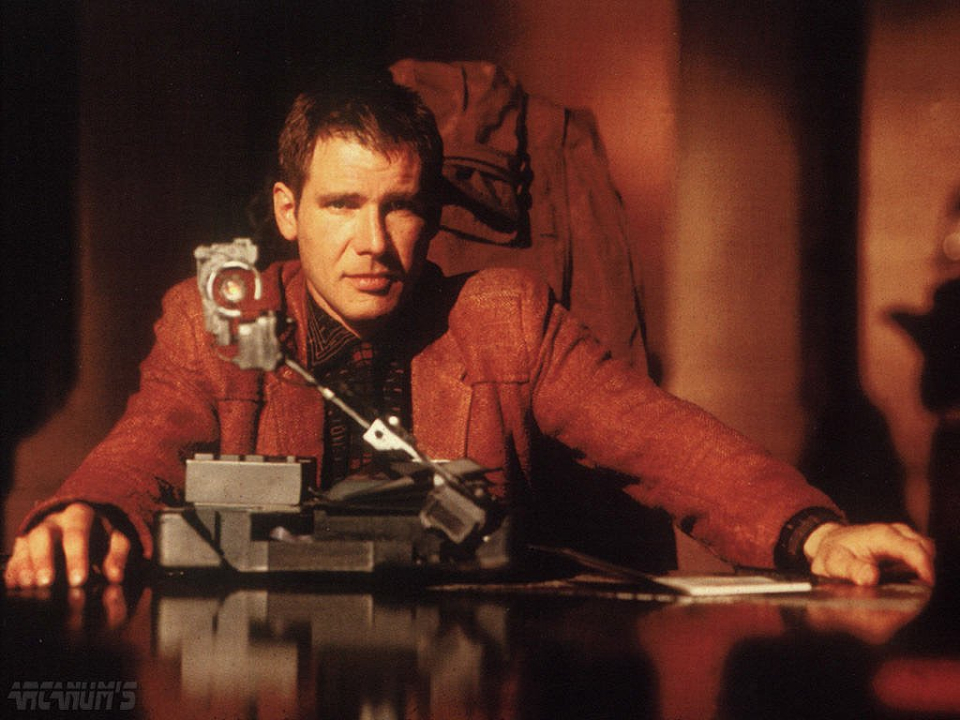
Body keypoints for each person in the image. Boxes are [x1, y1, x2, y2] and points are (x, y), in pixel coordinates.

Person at [4, 73, 935, 590]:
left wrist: (810, 533)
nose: (374, 243)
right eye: (342, 205)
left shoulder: (501, 318)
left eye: (401, 207)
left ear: (431, 215)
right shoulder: (219, 315)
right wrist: (85, 514)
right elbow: (144, 447)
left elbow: (661, 438)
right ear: (288, 211)